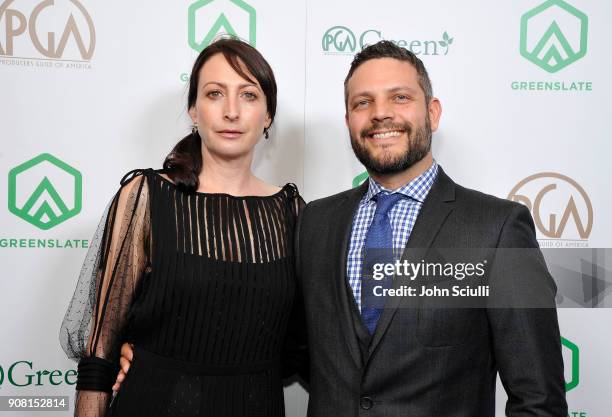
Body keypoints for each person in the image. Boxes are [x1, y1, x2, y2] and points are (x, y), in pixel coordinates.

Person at [115, 40, 567, 416]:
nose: (380, 114)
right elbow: (283, 342)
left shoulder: (499, 227)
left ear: (432, 112)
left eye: (400, 98)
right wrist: (156, 356)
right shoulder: (315, 222)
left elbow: (538, 399)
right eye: (362, 102)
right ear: (349, 119)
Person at [60, 37, 307, 417]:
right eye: (214, 94)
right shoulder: (145, 196)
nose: (231, 112)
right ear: (193, 110)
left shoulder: (292, 212)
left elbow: (300, 347)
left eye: (249, 95)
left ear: (268, 115)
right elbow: (100, 347)